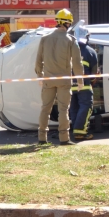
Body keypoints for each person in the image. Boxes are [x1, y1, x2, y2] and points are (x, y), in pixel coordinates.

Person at [35, 9, 84, 145]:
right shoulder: (71, 40)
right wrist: (80, 81)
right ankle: (64, 139)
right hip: (64, 81)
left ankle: (42, 138)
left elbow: (38, 60)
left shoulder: (45, 39)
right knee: (63, 109)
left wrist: (40, 75)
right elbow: (77, 63)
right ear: (67, 23)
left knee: (45, 108)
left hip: (48, 80)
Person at [69, 30, 98, 140]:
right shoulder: (90, 51)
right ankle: (80, 131)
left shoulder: (69, 50)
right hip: (84, 85)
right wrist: (93, 80)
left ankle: (76, 129)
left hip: (70, 85)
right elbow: (94, 72)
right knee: (86, 106)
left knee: (74, 108)